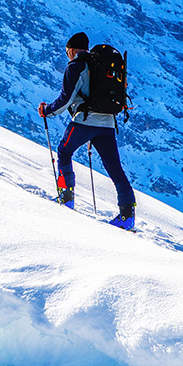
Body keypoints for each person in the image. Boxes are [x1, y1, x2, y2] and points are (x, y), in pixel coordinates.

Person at [38, 31, 136, 228]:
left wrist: (47, 111)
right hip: (108, 123)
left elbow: (65, 99)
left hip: (84, 121)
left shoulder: (76, 66)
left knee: (64, 151)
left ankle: (66, 199)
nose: (68, 55)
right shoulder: (98, 64)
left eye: (67, 52)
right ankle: (127, 216)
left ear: (72, 50)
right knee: (115, 168)